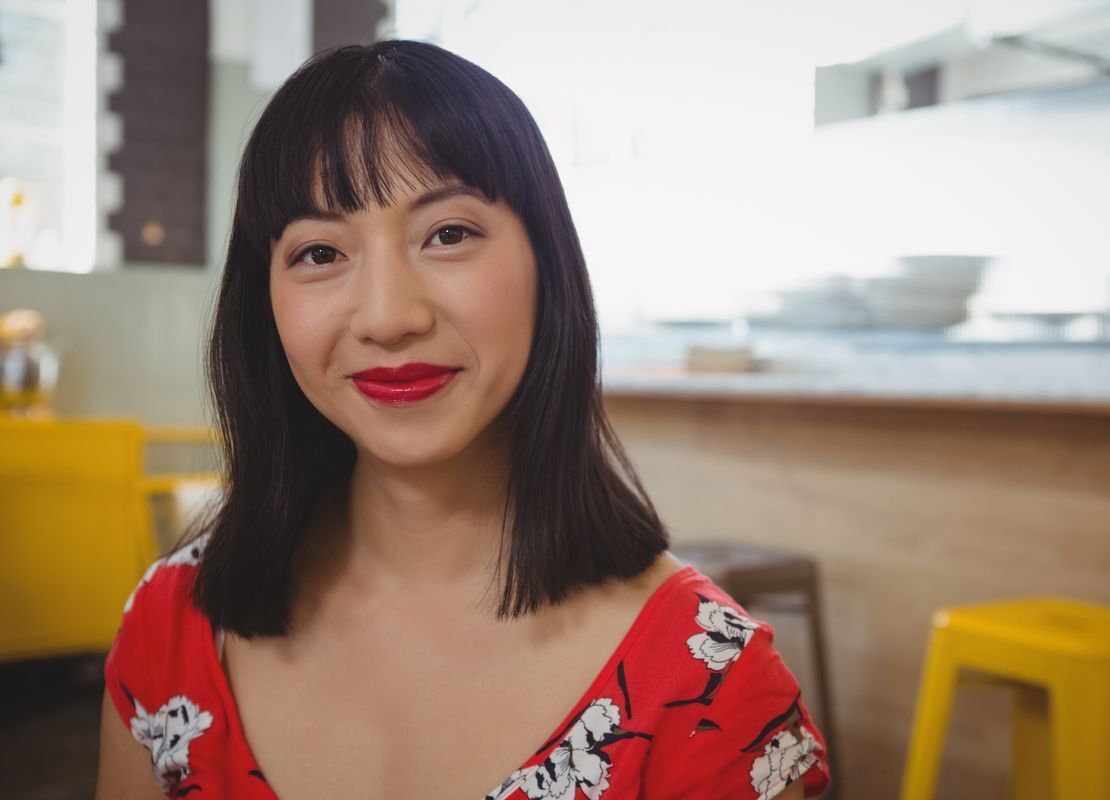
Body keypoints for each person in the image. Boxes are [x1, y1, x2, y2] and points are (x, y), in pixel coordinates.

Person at [95, 39, 831, 799]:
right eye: (319, 251)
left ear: (548, 265)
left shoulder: (708, 683)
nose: (388, 317)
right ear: (265, 306)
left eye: (448, 234)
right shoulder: (173, 622)